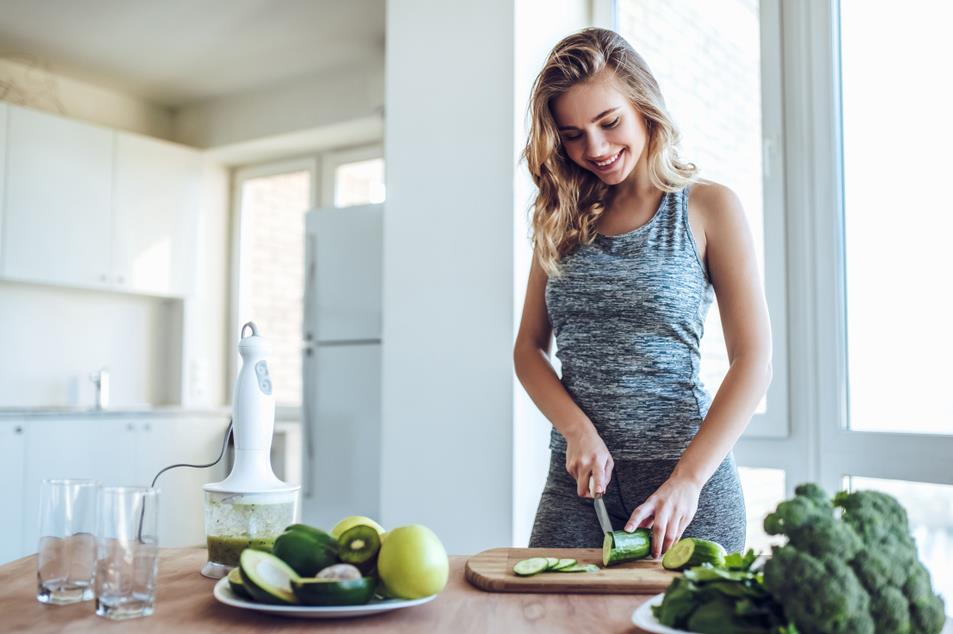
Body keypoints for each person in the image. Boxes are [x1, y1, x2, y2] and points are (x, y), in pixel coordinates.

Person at [513, 27, 773, 558]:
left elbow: (755, 359)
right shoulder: (557, 218)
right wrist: (576, 430)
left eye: (609, 123)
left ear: (643, 107)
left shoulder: (708, 208)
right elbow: (528, 350)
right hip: (578, 487)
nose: (596, 148)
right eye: (573, 134)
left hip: (686, 485)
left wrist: (689, 480)